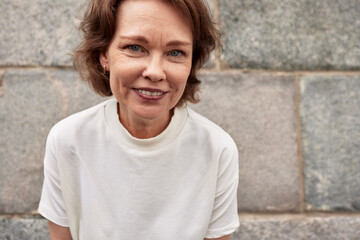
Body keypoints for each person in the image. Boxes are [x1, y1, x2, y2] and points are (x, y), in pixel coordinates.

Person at [38, 0, 239, 239]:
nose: (155, 72)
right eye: (135, 48)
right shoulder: (68, 140)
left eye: (175, 53)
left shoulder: (218, 149)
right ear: (104, 54)